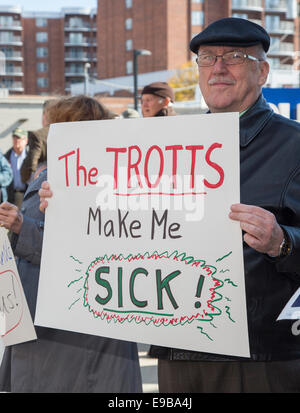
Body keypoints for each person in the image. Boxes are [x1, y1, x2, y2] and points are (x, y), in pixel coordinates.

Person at [151, 17, 300, 393]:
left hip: (259, 358)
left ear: (263, 71)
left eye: (234, 57)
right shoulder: (166, 146)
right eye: (206, 58)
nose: (217, 68)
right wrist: (69, 203)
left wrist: (282, 242)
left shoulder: (294, 146)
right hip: (178, 349)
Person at [0, 95, 142, 393]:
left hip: (72, 329)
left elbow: (87, 247)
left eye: (52, 125)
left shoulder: (97, 177)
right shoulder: (66, 171)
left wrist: (20, 226)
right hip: (48, 320)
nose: (47, 132)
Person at [20, 99, 53, 185]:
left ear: (45, 115)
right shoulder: (66, 132)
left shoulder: (38, 135)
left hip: (41, 185)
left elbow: (31, 164)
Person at [5, 128, 29, 208]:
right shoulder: (6, 157)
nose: (16, 140)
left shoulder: (31, 157)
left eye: (19, 138)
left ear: (26, 141)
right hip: (10, 196)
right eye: (14, 137)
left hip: (27, 195)